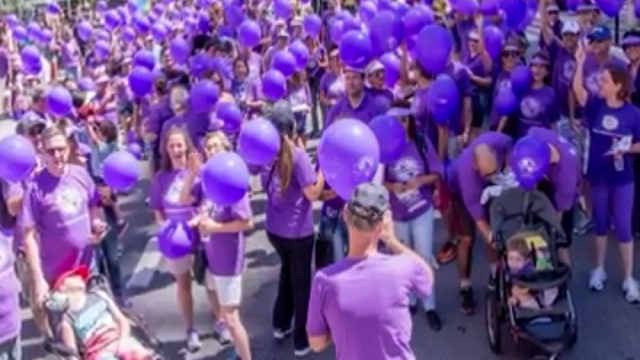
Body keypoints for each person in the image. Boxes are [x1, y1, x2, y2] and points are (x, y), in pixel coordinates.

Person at [306, 182, 434, 360]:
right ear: (382, 223)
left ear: (345, 214)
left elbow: (316, 343)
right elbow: (427, 278)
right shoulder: (404, 268)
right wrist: (392, 240)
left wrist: (340, 324)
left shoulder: (324, 281)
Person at [21, 126, 106, 337]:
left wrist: (96, 224)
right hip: (58, 276)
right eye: (51, 151)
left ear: (68, 148)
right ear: (42, 153)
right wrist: (38, 279)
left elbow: (94, 204)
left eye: (61, 149)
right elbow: (28, 236)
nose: (57, 155)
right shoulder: (35, 188)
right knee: (69, 334)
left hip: (87, 267)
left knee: (98, 324)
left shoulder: (80, 174)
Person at [149, 126, 229, 350]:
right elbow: (157, 211)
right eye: (171, 145)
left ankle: (220, 322)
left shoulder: (199, 173)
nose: (176, 149)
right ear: (166, 149)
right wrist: (166, 229)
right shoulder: (161, 178)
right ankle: (190, 329)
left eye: (179, 145)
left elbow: (205, 202)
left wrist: (201, 220)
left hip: (200, 234)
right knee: (183, 284)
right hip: (176, 239)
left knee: (210, 283)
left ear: (187, 147)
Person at [572, 43, 640, 302]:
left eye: (605, 80)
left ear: (618, 86)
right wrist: (579, 62)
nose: (600, 83)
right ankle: (598, 269)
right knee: (600, 223)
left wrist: (627, 148)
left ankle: (629, 278)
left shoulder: (633, 114)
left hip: (623, 179)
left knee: (623, 227)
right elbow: (578, 91)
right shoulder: (596, 107)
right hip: (599, 176)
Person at [261, 100, 324, 357]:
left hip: (274, 230)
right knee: (302, 284)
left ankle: (280, 323)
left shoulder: (265, 153)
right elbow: (313, 193)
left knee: (286, 274)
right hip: (298, 233)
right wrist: (321, 171)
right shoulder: (298, 157)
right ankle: (301, 339)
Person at [187, 131, 254, 360]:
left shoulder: (233, 180)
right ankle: (236, 352)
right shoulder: (206, 180)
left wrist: (214, 227)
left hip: (227, 259)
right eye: (209, 147)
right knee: (224, 315)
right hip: (210, 256)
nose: (213, 151)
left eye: (217, 146)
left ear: (227, 149)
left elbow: (247, 222)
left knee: (232, 319)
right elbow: (189, 200)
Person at [383, 103, 443, 330]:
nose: (401, 125)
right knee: (402, 259)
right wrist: (392, 186)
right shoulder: (385, 148)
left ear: (410, 121)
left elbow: (436, 173)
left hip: (421, 210)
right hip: (397, 214)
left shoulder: (421, 142)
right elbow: (378, 181)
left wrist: (419, 181)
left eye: (404, 119)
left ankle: (430, 305)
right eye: (396, 121)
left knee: (424, 256)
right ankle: (409, 301)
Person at [447, 131, 513, 314]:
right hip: (460, 194)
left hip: (487, 190)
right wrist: (490, 236)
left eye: (494, 171)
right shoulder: (467, 176)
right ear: (477, 167)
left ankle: (494, 275)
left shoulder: (496, 140)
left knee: (496, 228)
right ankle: (464, 286)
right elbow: (478, 217)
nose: (492, 176)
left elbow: (509, 143)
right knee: (467, 238)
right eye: (488, 174)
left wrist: (507, 166)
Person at [53, 266, 152, 360]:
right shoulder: (67, 320)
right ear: (64, 286)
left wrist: (123, 341)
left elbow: (122, 320)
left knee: (142, 355)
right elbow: (72, 353)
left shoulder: (99, 295)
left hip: (119, 340)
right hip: (98, 353)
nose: (80, 277)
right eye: (75, 276)